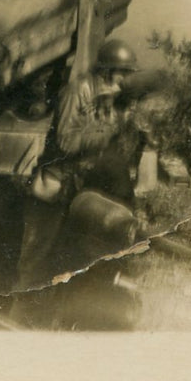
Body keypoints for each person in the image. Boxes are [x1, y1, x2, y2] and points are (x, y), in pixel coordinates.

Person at [15, 38, 147, 286]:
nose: (124, 80)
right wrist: (103, 134)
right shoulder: (77, 91)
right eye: (122, 73)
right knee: (36, 254)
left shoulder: (114, 98)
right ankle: (21, 302)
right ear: (107, 70)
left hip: (84, 185)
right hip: (57, 183)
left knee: (78, 251)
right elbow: (66, 141)